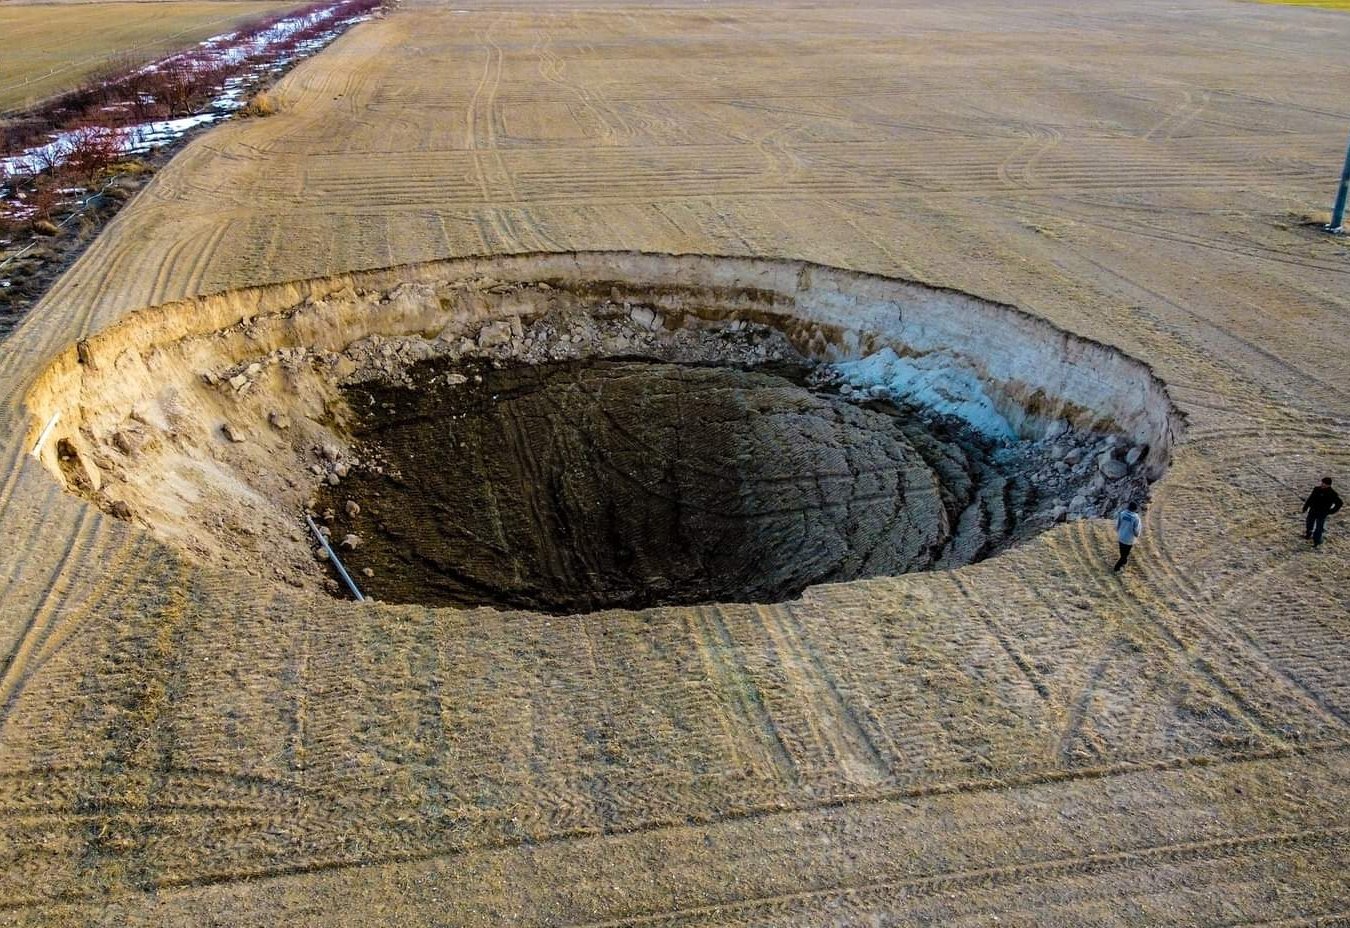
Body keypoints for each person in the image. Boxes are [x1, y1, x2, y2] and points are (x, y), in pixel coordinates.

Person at [1302, 477, 1342, 547]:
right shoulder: (1317, 489)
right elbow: (1310, 498)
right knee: (1309, 523)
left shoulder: (1332, 493)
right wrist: (1305, 507)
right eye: (1322, 483)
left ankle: (1316, 541)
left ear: (1329, 485)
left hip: (1322, 513)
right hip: (1313, 510)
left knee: (1319, 528)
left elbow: (1339, 503)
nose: (1322, 484)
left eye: (1324, 483)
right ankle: (1308, 534)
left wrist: (1331, 511)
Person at [1113, 501, 1142, 572]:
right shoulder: (1136, 518)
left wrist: (1118, 531)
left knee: (1122, 553)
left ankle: (1124, 562)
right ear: (1135, 509)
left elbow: (1117, 525)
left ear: (1128, 507)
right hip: (1129, 540)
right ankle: (1116, 568)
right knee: (1125, 555)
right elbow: (1136, 530)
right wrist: (1137, 535)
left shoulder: (1122, 514)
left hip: (1121, 537)